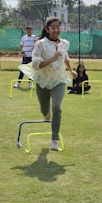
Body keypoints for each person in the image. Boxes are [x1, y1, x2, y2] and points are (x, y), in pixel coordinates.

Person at [31, 17, 77, 151]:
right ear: (47, 29)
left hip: (59, 80)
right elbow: (36, 64)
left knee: (57, 107)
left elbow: (65, 57)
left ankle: (54, 140)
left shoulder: (64, 43)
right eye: (53, 27)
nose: (56, 30)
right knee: (44, 109)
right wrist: (53, 58)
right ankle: (46, 114)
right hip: (42, 81)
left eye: (58, 27)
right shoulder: (40, 44)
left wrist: (71, 70)